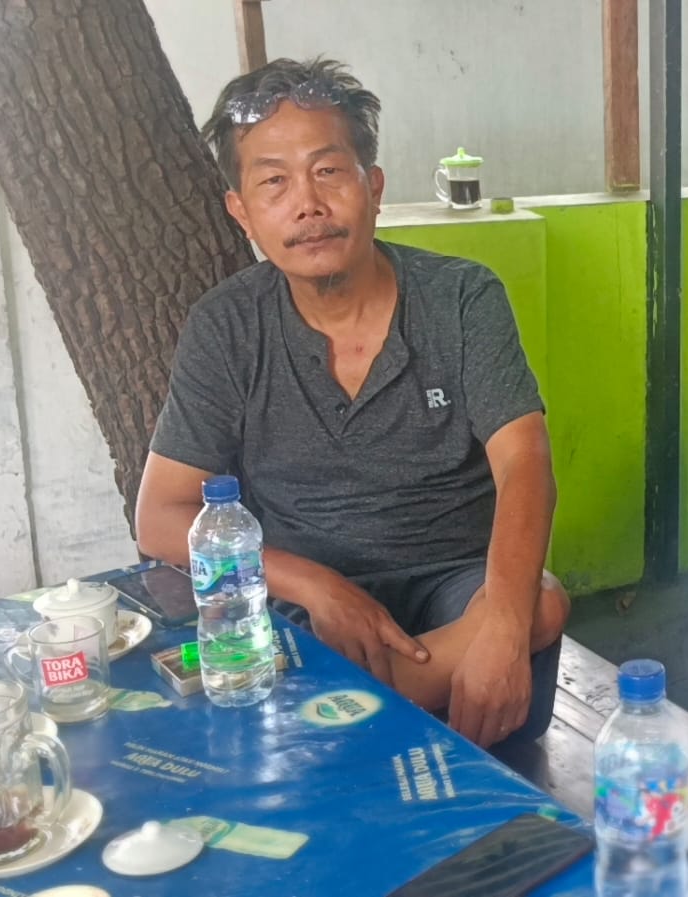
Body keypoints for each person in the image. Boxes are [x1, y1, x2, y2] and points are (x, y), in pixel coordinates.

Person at [134, 58, 568, 748]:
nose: (307, 204)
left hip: (454, 592)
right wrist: (317, 585)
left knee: (536, 602)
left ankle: (324, 713)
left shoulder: (461, 298)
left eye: (329, 171)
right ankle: (374, 706)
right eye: (274, 182)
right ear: (241, 212)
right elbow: (160, 516)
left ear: (374, 187)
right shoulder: (227, 326)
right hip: (307, 612)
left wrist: (505, 632)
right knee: (249, 638)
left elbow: (525, 464)